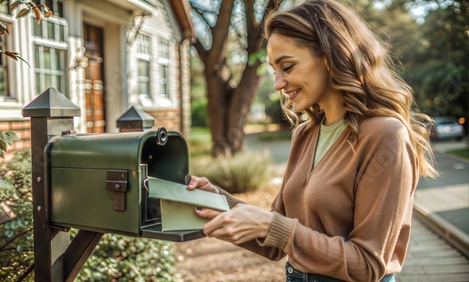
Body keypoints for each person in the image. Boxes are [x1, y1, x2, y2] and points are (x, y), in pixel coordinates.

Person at [186, 0, 437, 281]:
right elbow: (273, 241)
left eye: (288, 67)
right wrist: (219, 202)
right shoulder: (305, 134)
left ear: (331, 57)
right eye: (274, 70)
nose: (279, 83)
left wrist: (274, 226)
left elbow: (367, 265)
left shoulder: (386, 136)